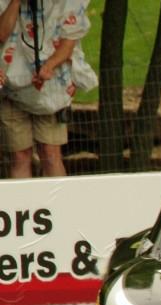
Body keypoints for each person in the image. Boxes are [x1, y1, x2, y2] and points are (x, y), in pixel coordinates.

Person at [0, 0, 97, 178]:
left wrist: (49, 66)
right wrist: (15, 2)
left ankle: (58, 203)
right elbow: (1, 34)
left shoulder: (67, 3)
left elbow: (69, 42)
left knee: (50, 153)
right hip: (11, 89)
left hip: (51, 90)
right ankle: (24, 204)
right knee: (19, 156)